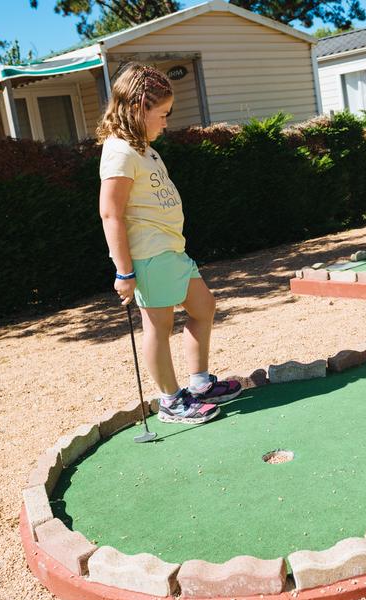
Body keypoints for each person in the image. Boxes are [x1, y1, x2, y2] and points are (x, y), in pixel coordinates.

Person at [97, 63, 241, 424]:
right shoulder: (119, 152)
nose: (165, 123)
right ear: (138, 107)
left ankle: (199, 384)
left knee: (204, 307)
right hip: (149, 254)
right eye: (161, 114)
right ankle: (171, 401)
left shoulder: (143, 148)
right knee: (158, 327)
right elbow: (110, 213)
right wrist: (124, 271)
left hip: (171, 250)